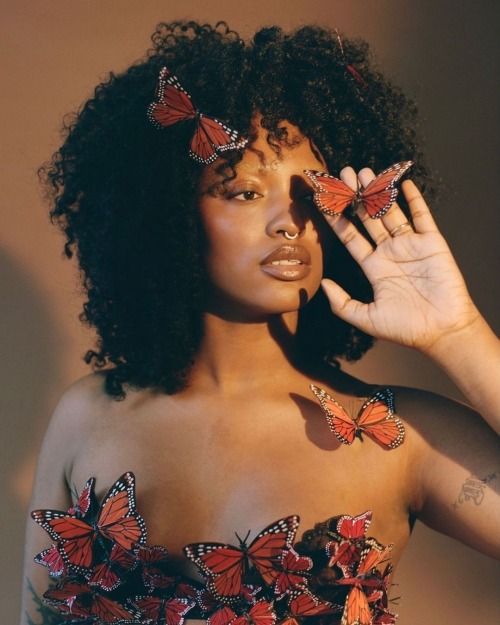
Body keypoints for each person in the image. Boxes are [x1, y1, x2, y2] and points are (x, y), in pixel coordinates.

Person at [20, 19, 499, 625]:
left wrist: (457, 335)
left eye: (312, 195)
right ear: (166, 211)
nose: (287, 222)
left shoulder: (402, 438)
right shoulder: (88, 416)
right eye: (244, 191)